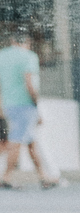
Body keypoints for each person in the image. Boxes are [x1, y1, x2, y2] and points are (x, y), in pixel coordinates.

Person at [0, 28, 59, 190]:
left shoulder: (2, 56)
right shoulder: (29, 57)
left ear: (12, 41)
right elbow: (29, 83)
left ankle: (43, 176)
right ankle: (6, 176)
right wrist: (36, 104)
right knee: (17, 140)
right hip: (24, 105)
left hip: (9, 104)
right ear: (27, 42)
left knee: (30, 140)